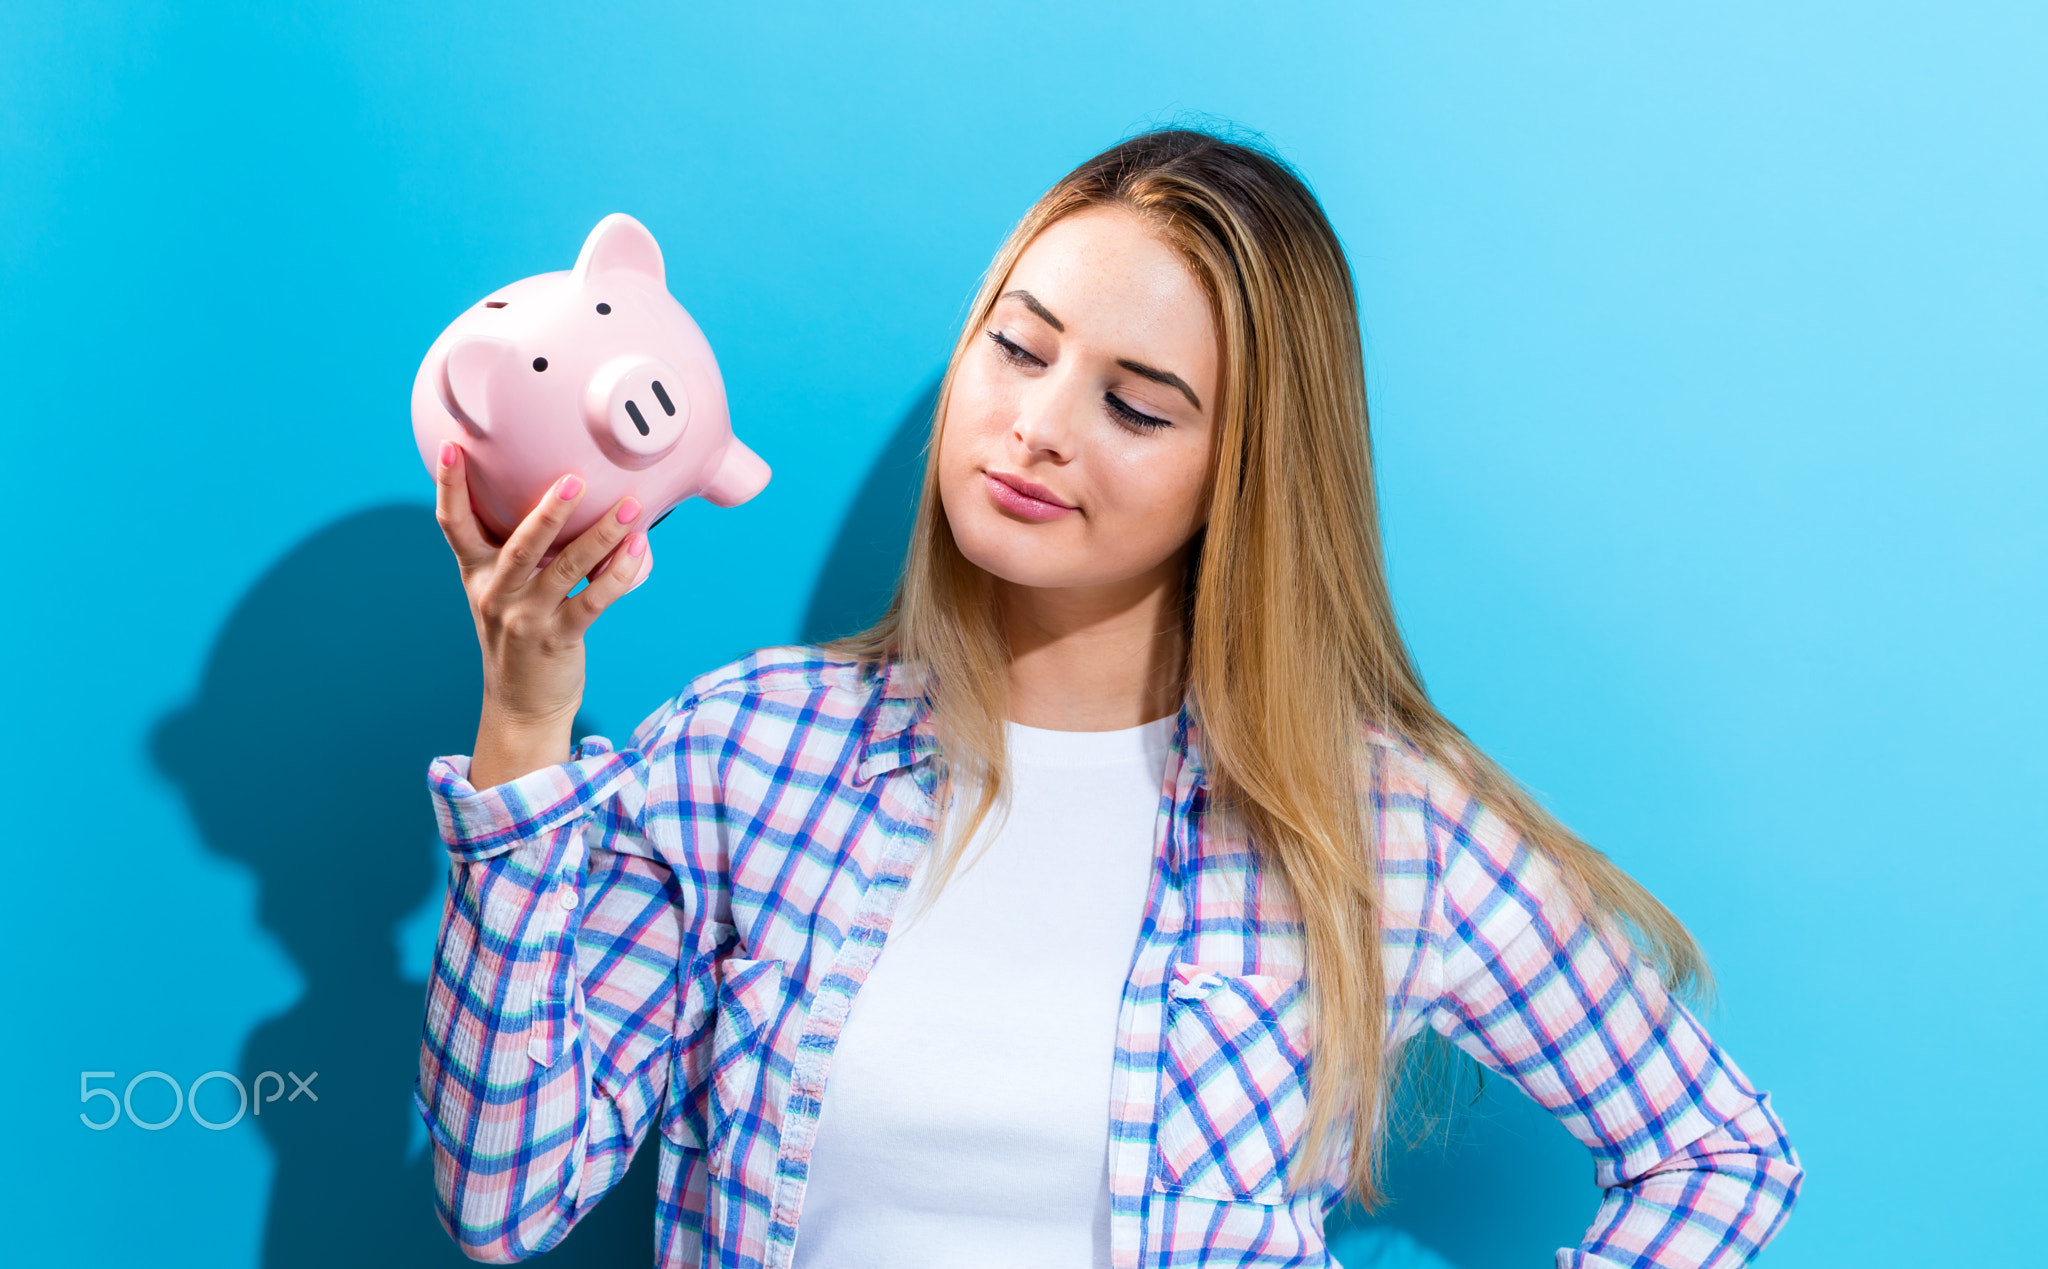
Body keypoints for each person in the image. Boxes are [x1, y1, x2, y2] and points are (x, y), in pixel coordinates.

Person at [413, 128, 1803, 1269]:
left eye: (1137, 406)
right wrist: (527, 726)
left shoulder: (1371, 826)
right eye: (1019, 349)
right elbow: (502, 1194)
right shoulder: (750, 749)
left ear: (1240, 475)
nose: (1038, 423)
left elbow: (1719, 1155)